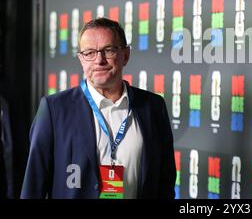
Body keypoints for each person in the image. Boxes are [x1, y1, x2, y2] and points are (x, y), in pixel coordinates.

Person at [21, 18, 175, 199]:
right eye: (89, 53)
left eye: (108, 50)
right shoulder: (54, 110)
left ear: (125, 55)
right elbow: (33, 188)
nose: (99, 60)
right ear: (81, 59)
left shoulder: (153, 107)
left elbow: (165, 182)